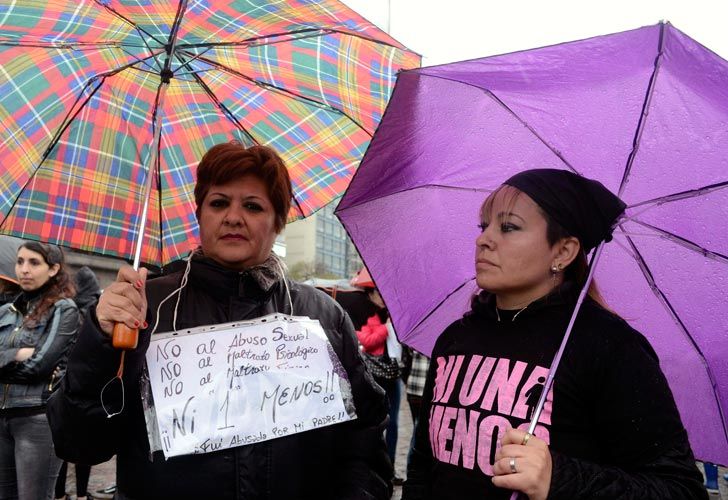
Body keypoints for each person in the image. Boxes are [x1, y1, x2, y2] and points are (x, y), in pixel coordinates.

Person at [47, 142, 391, 500]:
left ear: (278, 221)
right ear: (200, 214)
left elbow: (363, 443)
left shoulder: (322, 315)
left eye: (253, 206)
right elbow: (80, 444)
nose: (233, 217)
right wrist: (99, 341)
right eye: (219, 203)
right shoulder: (142, 309)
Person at [403, 169, 707, 499]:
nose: (483, 239)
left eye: (508, 227)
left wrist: (558, 478)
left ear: (562, 252)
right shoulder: (454, 339)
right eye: (484, 226)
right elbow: (423, 465)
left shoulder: (610, 346)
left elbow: (680, 489)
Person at [0, 241, 80, 499]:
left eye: (34, 263)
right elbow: (31, 363)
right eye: (20, 261)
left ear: (54, 268)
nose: (24, 269)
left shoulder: (63, 309)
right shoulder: (5, 312)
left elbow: (40, 366)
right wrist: (16, 356)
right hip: (2, 417)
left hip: (37, 417)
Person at [54, 266, 102, 500]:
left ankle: (60, 494)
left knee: (62, 445)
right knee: (85, 446)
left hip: (66, 381)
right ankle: (82, 495)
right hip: (90, 383)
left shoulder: (68, 309)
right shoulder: (97, 309)